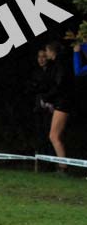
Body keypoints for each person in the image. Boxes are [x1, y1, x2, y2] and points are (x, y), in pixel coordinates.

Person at [41, 40, 75, 171]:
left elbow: (60, 85)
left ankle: (63, 167)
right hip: (62, 102)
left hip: (63, 103)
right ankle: (62, 165)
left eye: (47, 51)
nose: (46, 53)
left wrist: (47, 97)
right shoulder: (60, 64)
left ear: (52, 51)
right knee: (56, 135)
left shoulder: (60, 65)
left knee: (53, 136)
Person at [28, 48, 53, 160]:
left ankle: (51, 160)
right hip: (38, 108)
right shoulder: (35, 72)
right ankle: (41, 160)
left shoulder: (52, 71)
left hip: (50, 107)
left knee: (50, 134)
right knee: (40, 135)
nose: (41, 59)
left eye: (44, 56)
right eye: (39, 57)